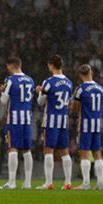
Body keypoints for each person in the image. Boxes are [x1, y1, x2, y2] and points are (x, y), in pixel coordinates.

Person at [35, 55, 74, 190]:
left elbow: (40, 102)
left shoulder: (48, 82)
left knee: (48, 150)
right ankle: (68, 182)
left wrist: (39, 92)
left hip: (51, 119)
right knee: (64, 151)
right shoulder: (69, 82)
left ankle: (49, 182)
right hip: (63, 119)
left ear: (51, 65)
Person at [0, 57, 35, 190]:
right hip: (27, 119)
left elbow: (3, 101)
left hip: (13, 118)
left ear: (11, 66)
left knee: (12, 148)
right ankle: (28, 183)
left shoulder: (10, 80)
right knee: (26, 150)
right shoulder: (30, 80)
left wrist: (2, 92)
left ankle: (12, 182)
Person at [70, 64, 103, 190]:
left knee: (84, 153)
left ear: (80, 75)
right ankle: (100, 183)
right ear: (91, 72)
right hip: (97, 124)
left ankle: (85, 183)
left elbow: (75, 108)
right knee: (97, 153)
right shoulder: (101, 89)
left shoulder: (80, 89)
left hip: (85, 124)